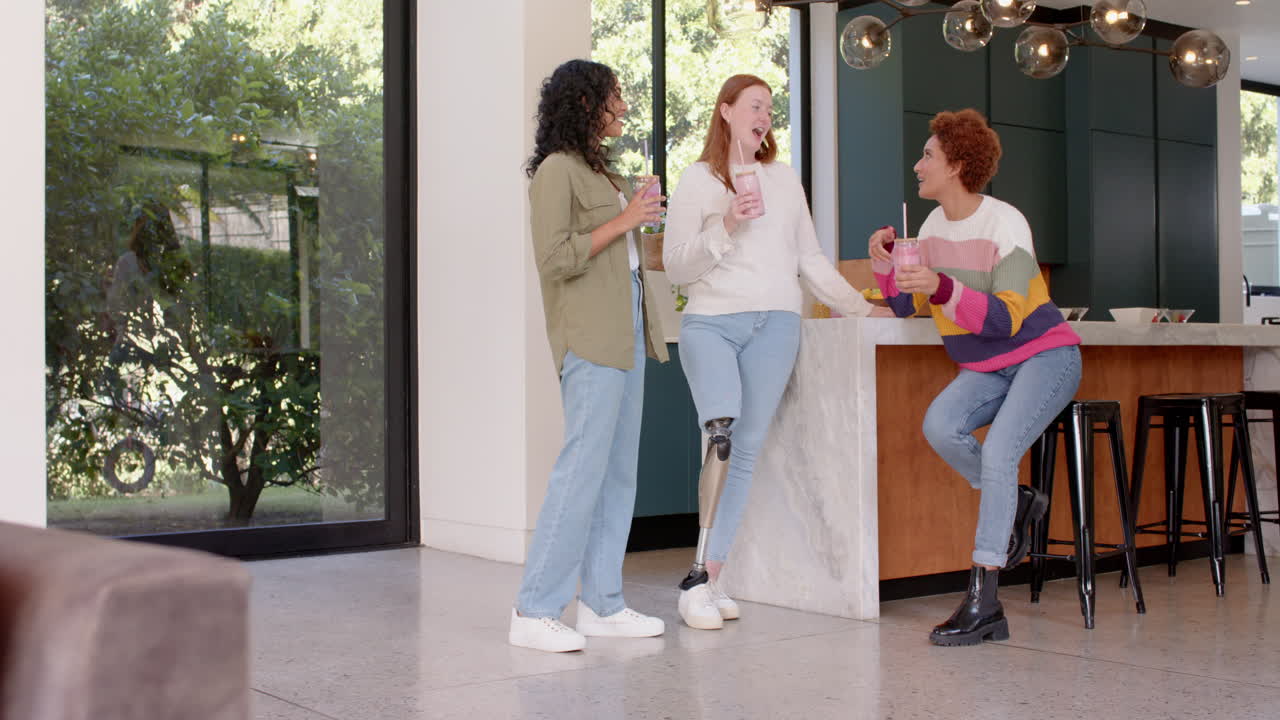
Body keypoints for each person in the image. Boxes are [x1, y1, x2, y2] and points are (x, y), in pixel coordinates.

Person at [663, 74, 888, 631]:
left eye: (770, 108)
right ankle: (695, 578)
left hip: (777, 325)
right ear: (726, 111)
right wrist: (728, 223)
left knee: (744, 451)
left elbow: (810, 260)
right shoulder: (697, 179)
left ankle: (711, 579)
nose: (764, 116)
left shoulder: (784, 180)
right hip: (712, 323)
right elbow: (677, 267)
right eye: (754, 106)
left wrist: (862, 309)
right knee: (721, 439)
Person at [869, 108, 1082, 646]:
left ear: (957, 165)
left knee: (999, 452)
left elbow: (1007, 317)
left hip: (1044, 356)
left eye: (928, 156)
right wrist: (883, 264)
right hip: (988, 366)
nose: (918, 166)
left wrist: (942, 287)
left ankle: (985, 602)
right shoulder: (931, 227)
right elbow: (904, 305)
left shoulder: (1005, 224)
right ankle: (1020, 502)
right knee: (939, 425)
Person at [510, 59, 669, 653]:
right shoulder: (556, 171)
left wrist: (643, 222)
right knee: (580, 471)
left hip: (627, 334)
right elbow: (554, 258)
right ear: (584, 103)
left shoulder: (606, 173)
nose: (622, 107)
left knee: (617, 474)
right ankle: (534, 609)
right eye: (614, 97)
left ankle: (603, 604)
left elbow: (626, 256)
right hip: (590, 337)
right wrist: (626, 219)